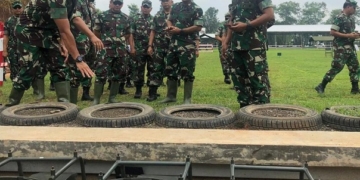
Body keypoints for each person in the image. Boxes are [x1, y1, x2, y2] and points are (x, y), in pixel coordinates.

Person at [5, 0, 97, 107]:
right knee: (29, 68)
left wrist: (62, 44)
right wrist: (78, 59)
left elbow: (69, 21)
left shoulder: (73, 2)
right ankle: (11, 104)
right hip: (28, 31)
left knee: (60, 66)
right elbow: (65, 31)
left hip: (49, 32)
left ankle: (65, 105)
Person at [222, 0, 275, 108]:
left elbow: (269, 15)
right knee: (239, 80)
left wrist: (247, 25)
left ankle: (262, 112)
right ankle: (245, 110)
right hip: (236, 46)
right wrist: (226, 42)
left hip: (254, 45)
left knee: (258, 79)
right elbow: (232, 20)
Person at [161, 0, 204, 104]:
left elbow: (198, 26)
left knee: (187, 70)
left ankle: (187, 99)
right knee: (170, 68)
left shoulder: (197, 8)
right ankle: (171, 96)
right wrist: (170, 26)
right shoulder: (175, 6)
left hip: (188, 44)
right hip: (173, 44)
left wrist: (180, 31)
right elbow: (169, 19)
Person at [92, 0, 134, 105]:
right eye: (115, 3)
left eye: (119, 3)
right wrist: (105, 41)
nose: (117, 5)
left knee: (119, 73)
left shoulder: (126, 18)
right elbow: (96, 31)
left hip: (120, 51)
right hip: (105, 50)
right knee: (101, 73)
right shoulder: (102, 15)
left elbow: (128, 33)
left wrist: (119, 40)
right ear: (111, 3)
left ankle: (112, 98)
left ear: (122, 5)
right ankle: (96, 99)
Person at [315, 0, 360, 95]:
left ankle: (355, 89)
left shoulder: (351, 18)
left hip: (350, 47)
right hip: (341, 48)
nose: (355, 10)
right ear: (348, 7)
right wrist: (348, 35)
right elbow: (332, 32)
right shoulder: (339, 17)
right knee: (337, 67)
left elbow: (349, 32)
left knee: (355, 67)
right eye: (354, 8)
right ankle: (321, 85)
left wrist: (355, 35)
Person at [3, 1, 43, 99]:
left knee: (32, 67)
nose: (17, 9)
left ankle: (36, 89)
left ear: (22, 8)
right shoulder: (9, 21)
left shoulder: (29, 19)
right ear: (12, 9)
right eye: (15, 8)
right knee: (14, 69)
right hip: (13, 49)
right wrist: (4, 50)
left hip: (27, 48)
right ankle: (17, 92)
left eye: (19, 7)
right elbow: (6, 36)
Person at [68, 0, 103, 104]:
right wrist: (92, 36)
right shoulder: (77, 2)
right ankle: (72, 101)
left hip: (89, 43)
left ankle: (86, 93)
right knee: (75, 70)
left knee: (90, 67)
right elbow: (76, 19)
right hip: (79, 41)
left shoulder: (89, 6)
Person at [147, 0, 173, 102]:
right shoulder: (157, 16)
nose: (165, 3)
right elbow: (153, 31)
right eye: (163, 1)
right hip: (159, 46)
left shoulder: (176, 14)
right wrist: (150, 46)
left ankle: (171, 94)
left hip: (173, 46)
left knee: (172, 68)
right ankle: (152, 93)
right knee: (157, 68)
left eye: (167, 1)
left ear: (172, 2)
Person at [130, 0, 153, 99]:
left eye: (148, 7)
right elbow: (131, 34)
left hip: (151, 48)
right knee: (139, 70)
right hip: (139, 48)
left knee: (152, 69)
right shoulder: (135, 19)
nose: (146, 8)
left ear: (151, 8)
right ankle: (138, 90)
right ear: (141, 7)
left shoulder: (154, 19)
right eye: (144, 7)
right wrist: (132, 47)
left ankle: (151, 90)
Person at [215, 12, 231, 85]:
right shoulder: (221, 25)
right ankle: (227, 76)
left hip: (232, 46)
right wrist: (224, 41)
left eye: (228, 17)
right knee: (224, 61)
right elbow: (216, 36)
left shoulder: (233, 23)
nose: (227, 19)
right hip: (222, 46)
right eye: (226, 17)